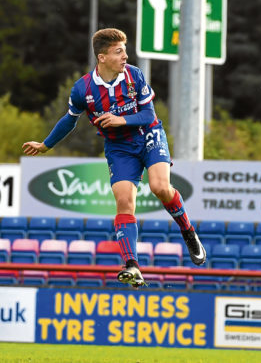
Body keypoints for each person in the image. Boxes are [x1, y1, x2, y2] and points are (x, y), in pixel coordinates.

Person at [22, 28, 206, 287]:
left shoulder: (134, 76)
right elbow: (69, 121)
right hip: (119, 148)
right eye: (119, 52)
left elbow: (148, 115)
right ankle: (132, 265)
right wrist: (45, 145)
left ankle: (188, 231)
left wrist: (121, 119)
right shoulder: (82, 89)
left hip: (148, 134)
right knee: (123, 201)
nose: (125, 57)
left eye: (125, 51)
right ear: (102, 57)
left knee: (160, 187)